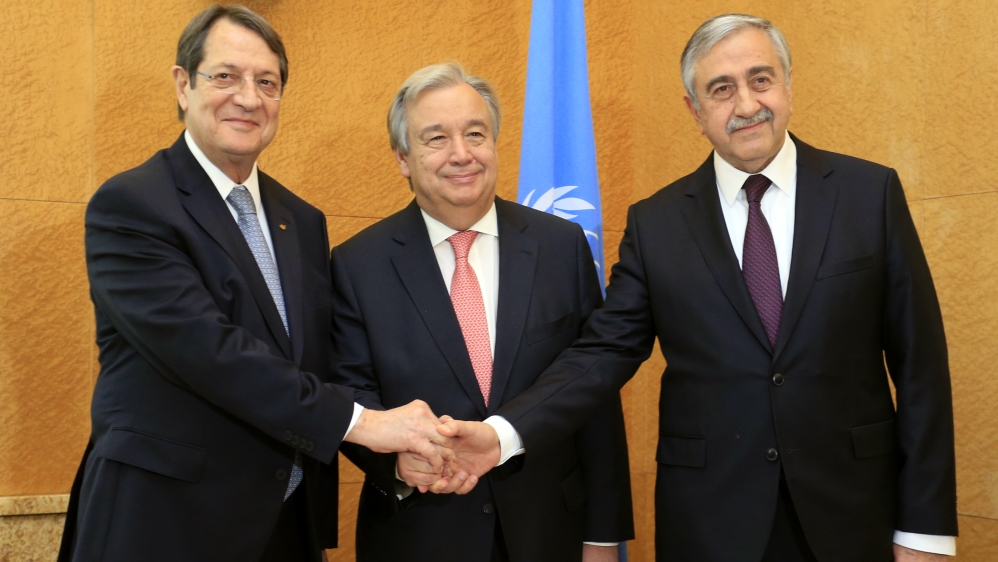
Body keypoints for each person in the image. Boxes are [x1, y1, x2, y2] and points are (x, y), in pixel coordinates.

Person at [439, 14, 958, 562]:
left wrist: (924, 532)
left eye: (761, 79)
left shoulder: (868, 194)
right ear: (695, 110)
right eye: (721, 89)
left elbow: (921, 368)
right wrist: (503, 433)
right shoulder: (657, 223)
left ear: (787, 84)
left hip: (853, 516)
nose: (746, 104)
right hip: (712, 523)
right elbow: (602, 353)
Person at [57, 6, 450, 562]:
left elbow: (319, 365)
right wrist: (367, 424)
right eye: (225, 76)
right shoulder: (134, 206)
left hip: (285, 527)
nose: (248, 97)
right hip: (163, 524)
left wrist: (396, 452)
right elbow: (211, 353)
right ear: (182, 84)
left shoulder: (303, 220)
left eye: (267, 82)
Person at [328, 62, 634, 562]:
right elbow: (347, 391)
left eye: (475, 133)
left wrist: (602, 538)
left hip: (549, 534)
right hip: (419, 537)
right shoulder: (357, 263)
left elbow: (593, 391)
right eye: (436, 138)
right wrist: (397, 463)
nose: (461, 154)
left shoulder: (561, 247)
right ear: (403, 157)